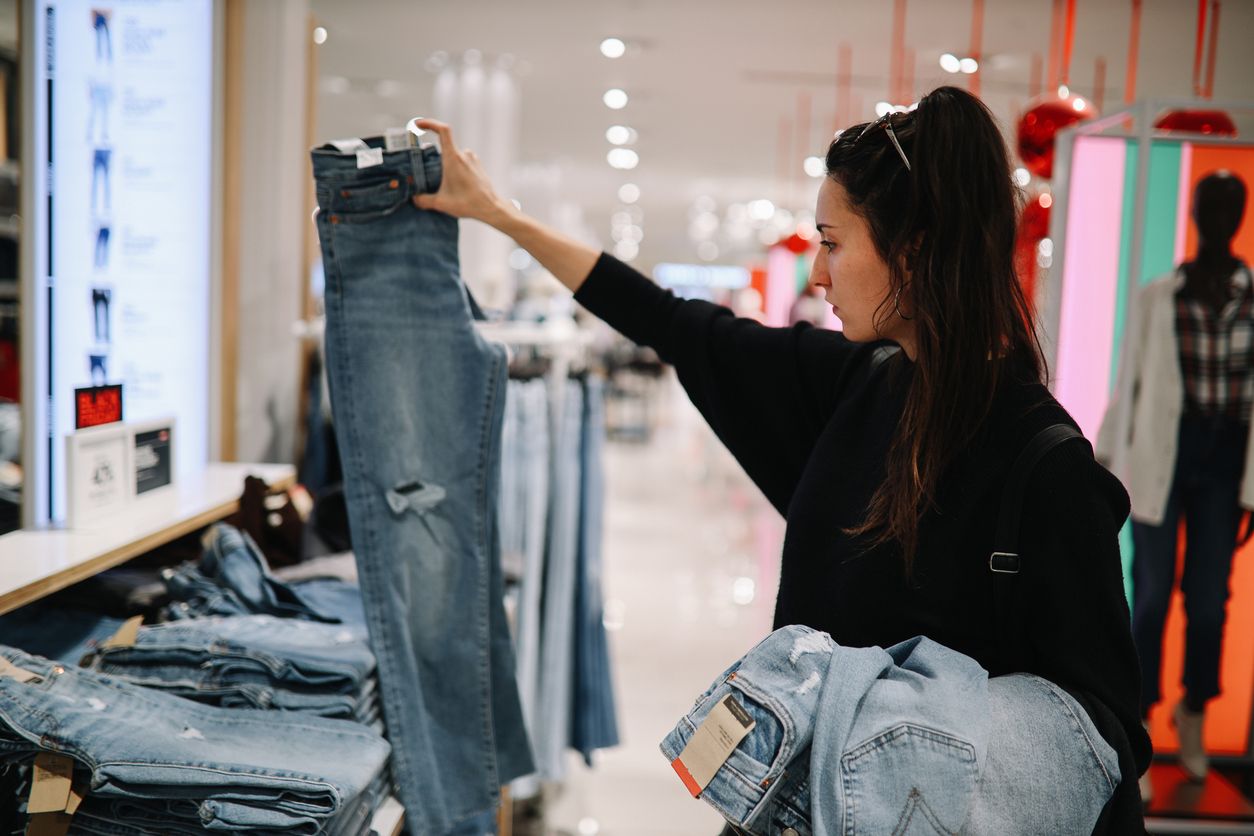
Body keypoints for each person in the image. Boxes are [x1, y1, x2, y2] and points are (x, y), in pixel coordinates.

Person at [412, 85, 1150, 833]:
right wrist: (497, 215)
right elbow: (672, 322)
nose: (817, 278)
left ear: (914, 251)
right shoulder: (856, 386)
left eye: (832, 244)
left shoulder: (1043, 468)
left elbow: (1101, 739)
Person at [1099, 171, 1251, 801]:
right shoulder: (1159, 296)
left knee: (1210, 599)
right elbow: (1131, 377)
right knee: (1153, 593)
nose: (1217, 216)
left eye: (1229, 206)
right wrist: (1104, 465)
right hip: (1167, 450)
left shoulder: (1250, 296)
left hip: (1226, 458)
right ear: (1193, 212)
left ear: (1241, 215)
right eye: (1207, 205)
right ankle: (1139, 725)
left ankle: (1193, 708)